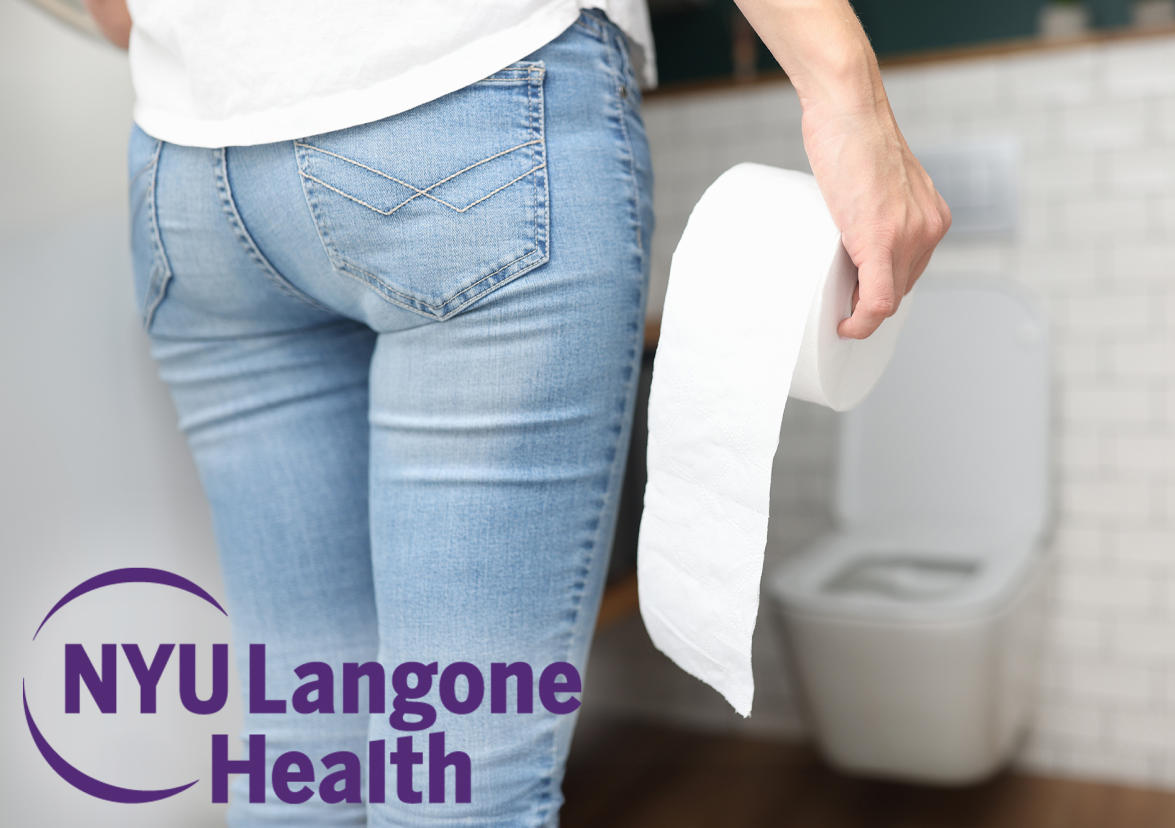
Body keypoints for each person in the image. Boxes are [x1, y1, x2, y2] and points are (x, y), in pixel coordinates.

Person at [85, 0, 950, 824]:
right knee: (454, 782)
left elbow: (116, 14)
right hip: (462, 105)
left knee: (302, 756)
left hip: (188, 179)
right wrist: (849, 99)